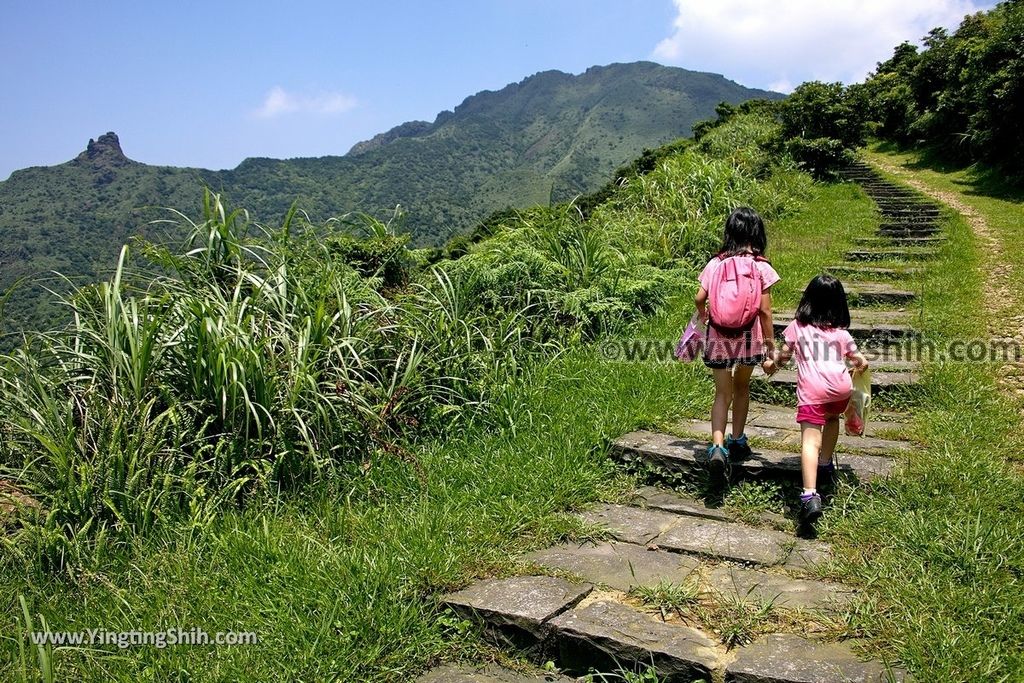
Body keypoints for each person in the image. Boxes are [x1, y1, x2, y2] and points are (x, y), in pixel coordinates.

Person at [763, 274, 869, 524]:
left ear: (807, 300)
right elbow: (861, 361)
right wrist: (859, 369)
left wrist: (770, 365)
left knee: (810, 440)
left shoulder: (797, 328)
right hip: (841, 388)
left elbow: (783, 358)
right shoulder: (841, 334)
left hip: (813, 391)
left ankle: (810, 494)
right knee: (832, 420)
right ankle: (825, 464)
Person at [695, 207, 778, 475]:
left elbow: (699, 297)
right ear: (757, 234)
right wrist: (770, 346)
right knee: (741, 387)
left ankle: (717, 446)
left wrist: (703, 314)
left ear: (729, 233)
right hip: (747, 337)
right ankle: (738, 439)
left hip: (718, 335)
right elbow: (765, 311)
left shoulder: (715, 263)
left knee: (722, 393)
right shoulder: (761, 266)